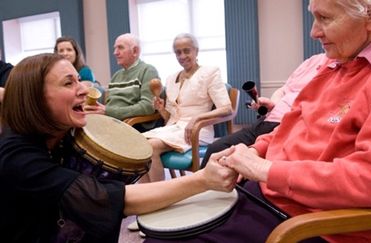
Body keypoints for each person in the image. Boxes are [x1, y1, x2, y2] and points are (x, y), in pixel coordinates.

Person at [145, 0, 371, 242]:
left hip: (319, 224)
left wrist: (265, 169)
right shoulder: (338, 62)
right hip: (274, 197)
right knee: (162, 231)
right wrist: (252, 151)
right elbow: (290, 128)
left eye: (325, 18)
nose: (314, 32)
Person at [0, 53, 238, 243]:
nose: (84, 89)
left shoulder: (60, 133)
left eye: (78, 79)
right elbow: (113, 199)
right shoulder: (17, 157)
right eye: (68, 83)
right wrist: (202, 180)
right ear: (35, 100)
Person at [200, 54, 327, 168]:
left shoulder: (337, 70)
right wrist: (273, 104)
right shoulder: (312, 61)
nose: (314, 33)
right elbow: (283, 90)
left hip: (290, 127)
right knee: (215, 149)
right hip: (267, 121)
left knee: (241, 169)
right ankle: (199, 190)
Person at [140, 33, 233, 183]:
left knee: (150, 147)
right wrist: (162, 110)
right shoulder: (171, 78)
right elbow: (171, 118)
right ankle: (144, 195)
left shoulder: (210, 72)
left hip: (197, 130)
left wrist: (197, 118)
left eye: (186, 51)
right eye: (178, 52)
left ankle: (158, 195)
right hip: (174, 128)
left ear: (196, 51)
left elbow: (227, 109)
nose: (182, 56)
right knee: (139, 144)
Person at [84, 33, 160, 132]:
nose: (115, 52)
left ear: (135, 51)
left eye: (120, 48)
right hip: (110, 122)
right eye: (115, 48)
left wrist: (108, 111)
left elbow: (147, 106)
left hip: (132, 126)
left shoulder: (148, 70)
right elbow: (109, 105)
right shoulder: (116, 75)